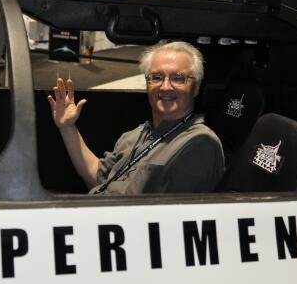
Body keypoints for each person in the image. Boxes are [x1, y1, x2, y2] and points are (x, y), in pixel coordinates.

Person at [48, 42, 224, 194]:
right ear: (148, 84)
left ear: (196, 87)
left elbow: (171, 220)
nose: (165, 87)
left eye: (178, 78)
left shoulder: (199, 143)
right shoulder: (136, 134)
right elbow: (99, 180)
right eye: (157, 77)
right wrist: (67, 127)